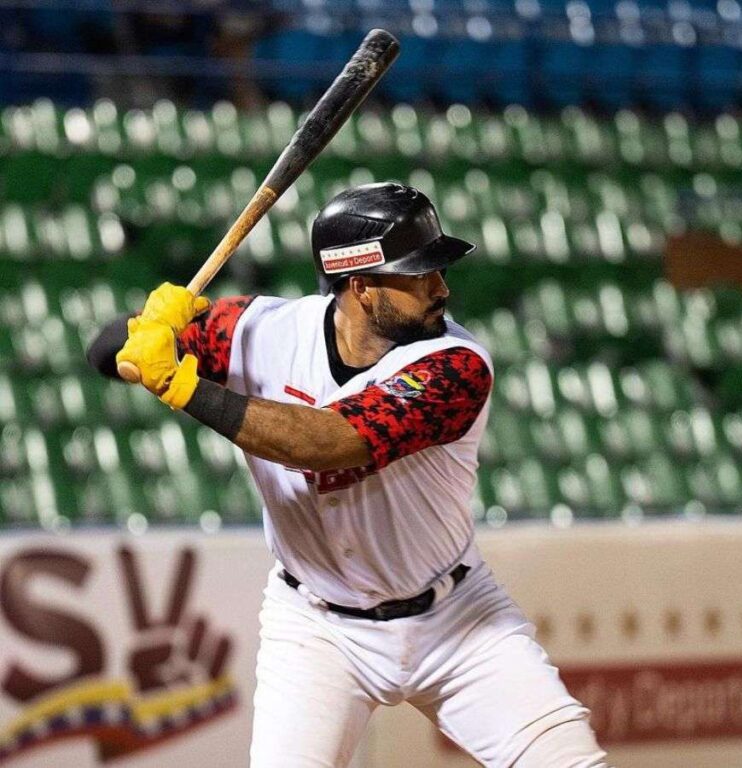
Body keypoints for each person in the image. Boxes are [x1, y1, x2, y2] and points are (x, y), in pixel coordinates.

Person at [87, 182, 609, 768]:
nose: (441, 287)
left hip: (456, 622)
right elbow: (102, 348)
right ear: (360, 285)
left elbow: (332, 442)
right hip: (316, 627)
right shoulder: (263, 330)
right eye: (418, 274)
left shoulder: (457, 365)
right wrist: (147, 331)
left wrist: (182, 386)